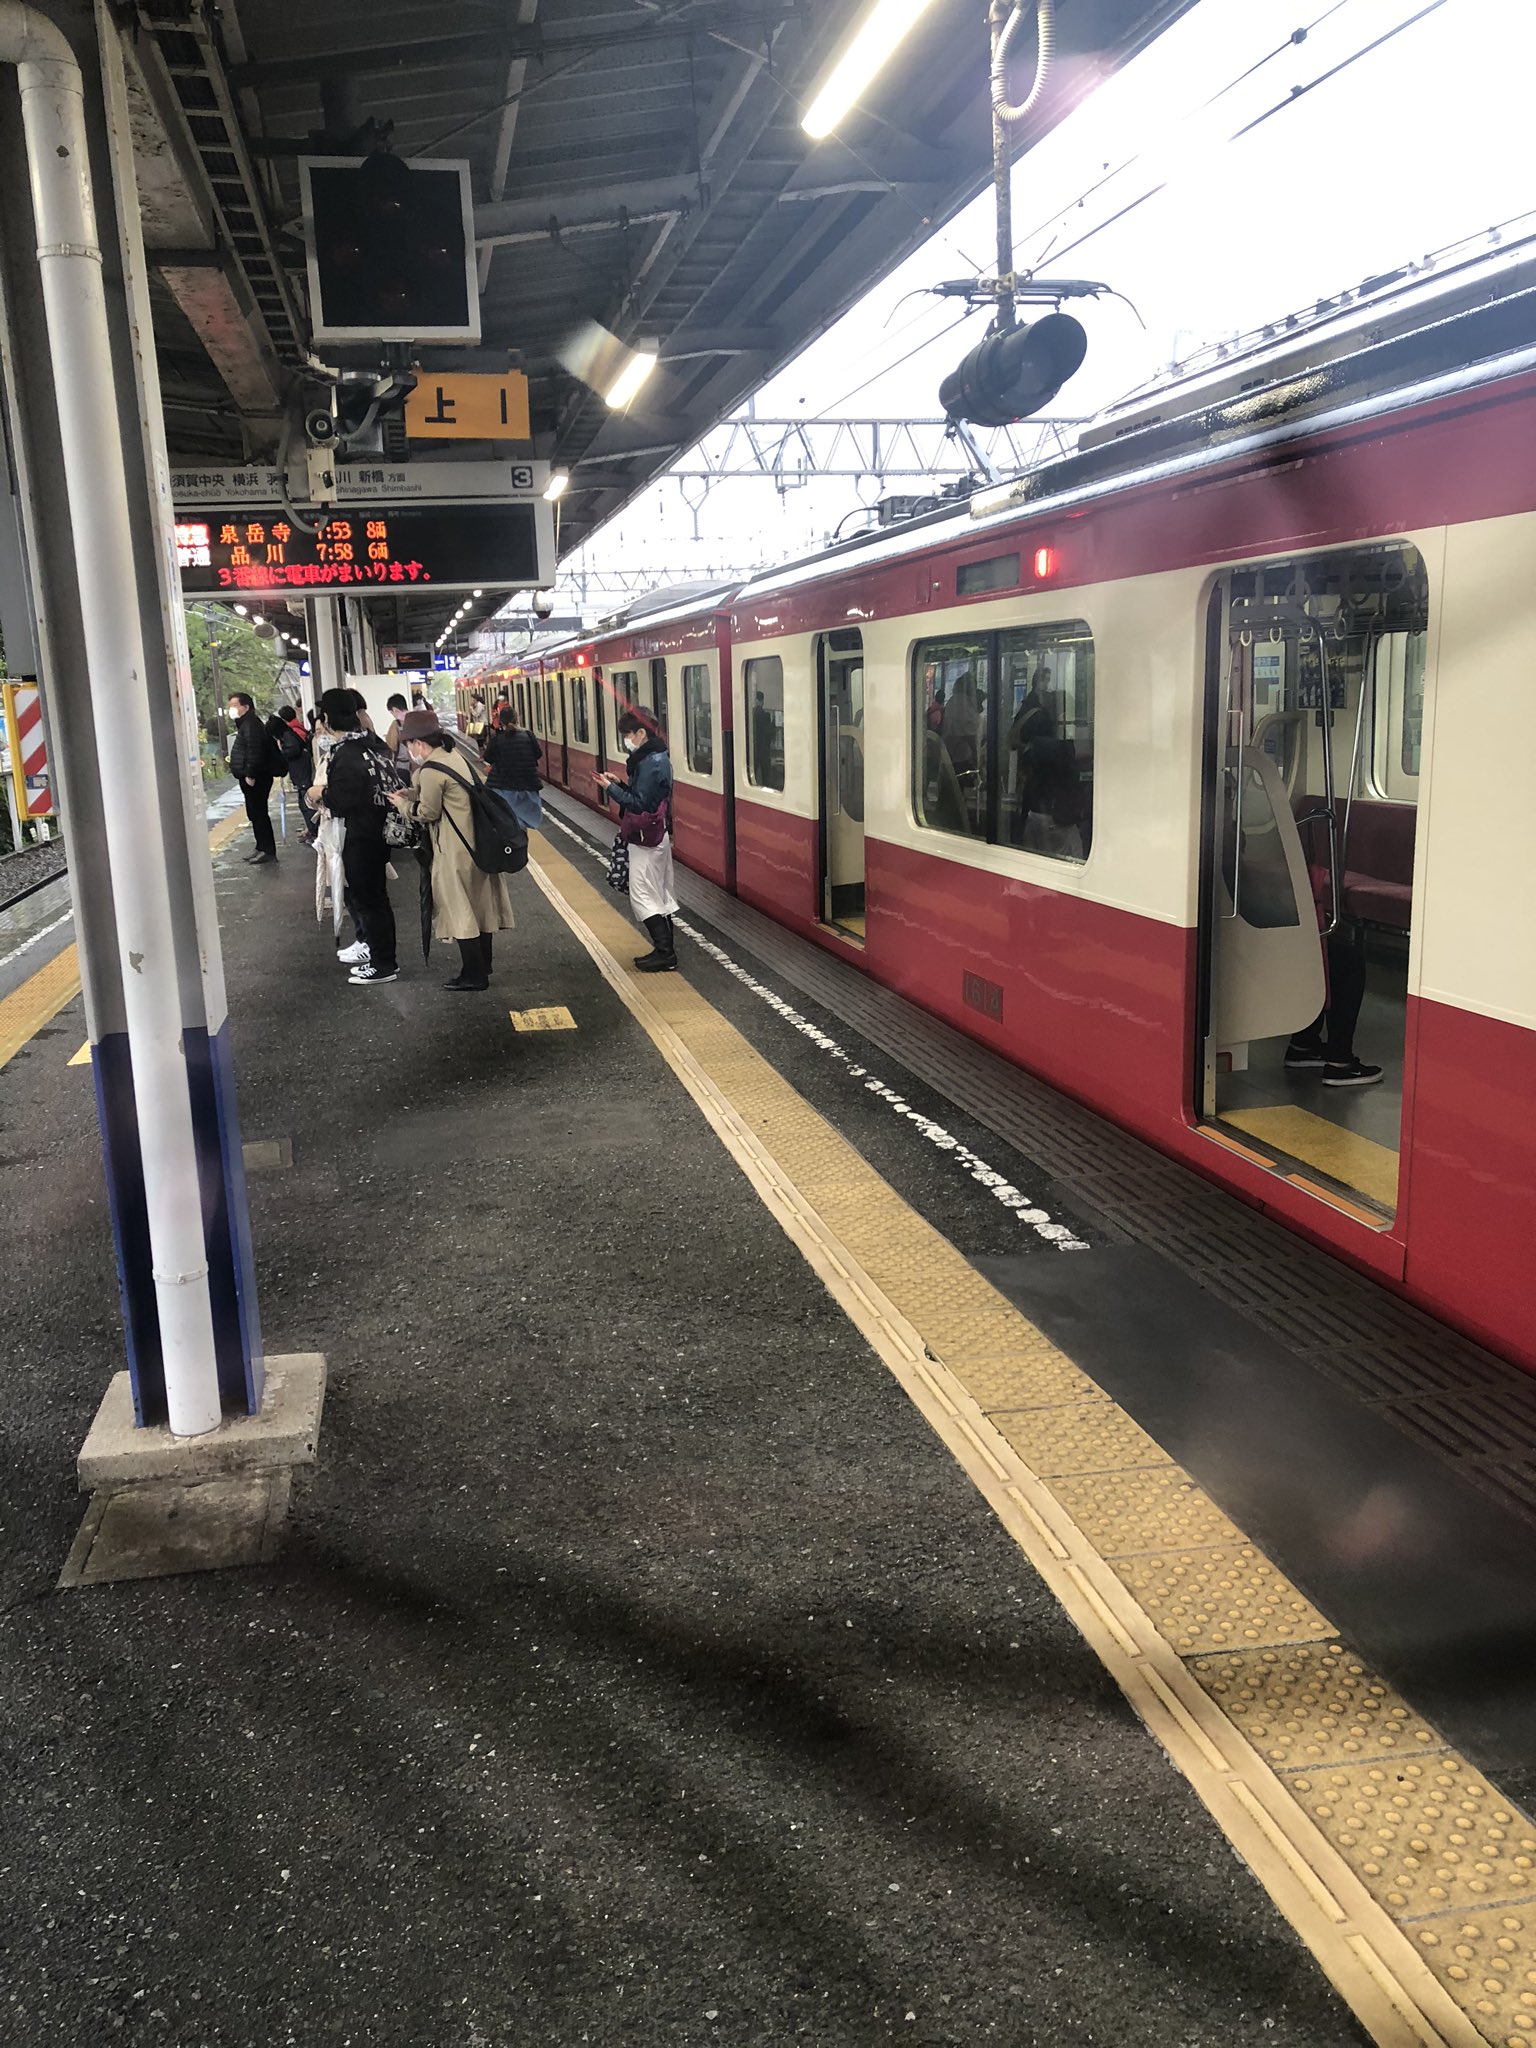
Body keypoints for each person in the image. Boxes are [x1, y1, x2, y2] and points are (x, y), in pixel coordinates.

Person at [393, 709, 514, 992]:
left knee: (460, 911)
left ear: (418, 744)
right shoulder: (453, 757)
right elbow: (449, 795)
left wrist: (401, 805)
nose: (411, 751)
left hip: (454, 851)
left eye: (409, 745)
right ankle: (483, 965)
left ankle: (473, 975)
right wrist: (410, 794)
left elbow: (428, 811)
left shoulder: (431, 770)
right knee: (479, 909)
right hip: (476, 847)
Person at [309, 687, 399, 986]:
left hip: (359, 836)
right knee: (376, 899)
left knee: (368, 901)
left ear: (327, 718)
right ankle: (381, 958)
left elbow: (343, 799)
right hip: (377, 831)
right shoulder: (370, 744)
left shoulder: (346, 754)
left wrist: (320, 792)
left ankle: (383, 964)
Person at [595, 709, 678, 972]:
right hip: (654, 835)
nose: (626, 740)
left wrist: (611, 790)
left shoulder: (652, 762)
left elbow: (640, 804)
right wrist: (619, 783)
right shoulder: (654, 757)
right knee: (657, 893)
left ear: (641, 733)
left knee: (642, 894)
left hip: (646, 838)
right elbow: (644, 796)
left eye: (628, 734)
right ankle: (664, 951)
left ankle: (666, 954)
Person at [228, 690, 282, 865]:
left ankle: (267, 849)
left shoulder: (251, 724)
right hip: (251, 776)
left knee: (259, 813)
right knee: (255, 813)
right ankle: (261, 847)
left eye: (234, 706)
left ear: (246, 707)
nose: (231, 710)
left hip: (256, 777)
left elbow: (254, 750)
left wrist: (251, 773)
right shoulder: (246, 724)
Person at [481, 702, 543, 831]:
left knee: (507, 826)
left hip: (503, 789)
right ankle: (522, 845)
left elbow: (488, 757)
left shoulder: (497, 739)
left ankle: (513, 847)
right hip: (528, 789)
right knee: (522, 825)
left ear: (501, 721)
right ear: (517, 719)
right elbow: (537, 754)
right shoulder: (528, 736)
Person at [382, 692, 411, 771]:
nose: (393, 715)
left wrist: (388, 737)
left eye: (391, 712)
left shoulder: (396, 724)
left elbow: (392, 745)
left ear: (395, 710)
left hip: (402, 766)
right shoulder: (415, 719)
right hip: (418, 765)